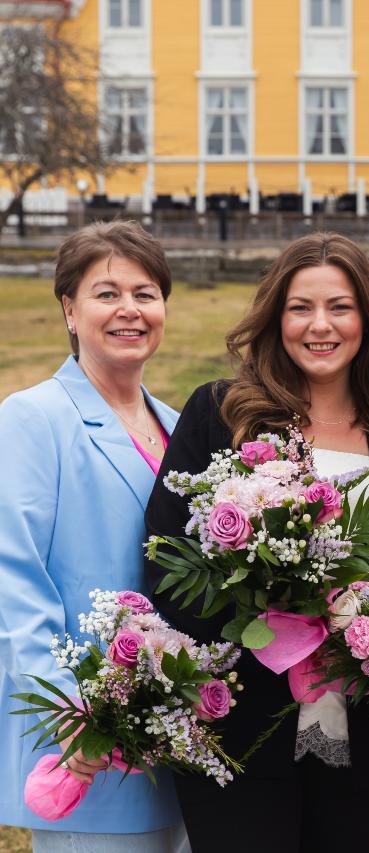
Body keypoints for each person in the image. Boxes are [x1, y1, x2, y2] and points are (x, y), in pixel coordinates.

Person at [144, 232, 369, 853]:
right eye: (300, 307)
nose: (319, 325)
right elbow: (167, 561)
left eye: (340, 306)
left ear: (368, 320)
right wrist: (268, 618)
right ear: (276, 318)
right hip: (238, 722)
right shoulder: (223, 414)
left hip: (359, 726)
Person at [0, 221, 187, 852]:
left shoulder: (182, 426)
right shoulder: (32, 418)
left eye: (145, 292)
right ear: (69, 310)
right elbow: (13, 578)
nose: (130, 310)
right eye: (106, 293)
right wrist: (69, 711)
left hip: (179, 733)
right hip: (87, 740)